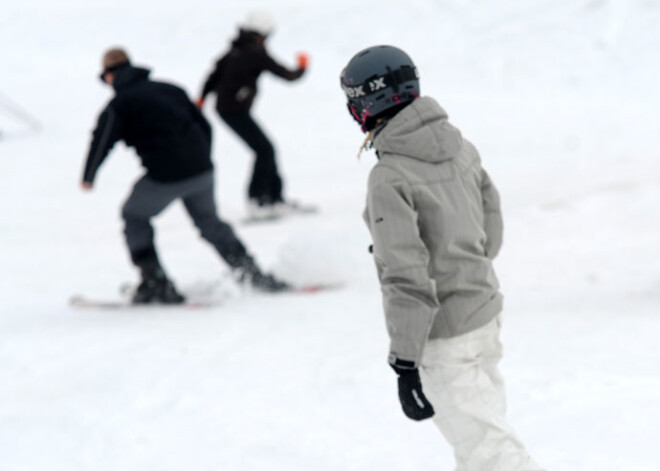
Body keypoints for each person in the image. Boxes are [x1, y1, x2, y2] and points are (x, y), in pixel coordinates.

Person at [340, 45, 546, 471]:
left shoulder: (389, 175)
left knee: (492, 455)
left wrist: (405, 362)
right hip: (484, 316)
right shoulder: (459, 146)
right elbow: (491, 225)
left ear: (368, 103)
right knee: (480, 446)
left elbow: (405, 275)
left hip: (445, 337)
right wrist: (465, 268)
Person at [81, 47, 289, 304]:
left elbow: (101, 139)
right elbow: (203, 125)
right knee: (210, 223)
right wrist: (202, 158)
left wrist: (88, 176)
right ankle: (252, 274)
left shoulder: (119, 104)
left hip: (164, 177)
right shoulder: (171, 89)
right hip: (202, 172)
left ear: (110, 76)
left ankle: (155, 282)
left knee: (133, 215)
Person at [196, 10, 308, 218]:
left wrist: (202, 98)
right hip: (233, 110)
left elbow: (213, 75)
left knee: (265, 149)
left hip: (228, 109)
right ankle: (259, 200)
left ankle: (273, 199)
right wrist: (301, 68)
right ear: (262, 34)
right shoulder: (255, 53)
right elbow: (286, 74)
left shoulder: (235, 50)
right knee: (264, 150)